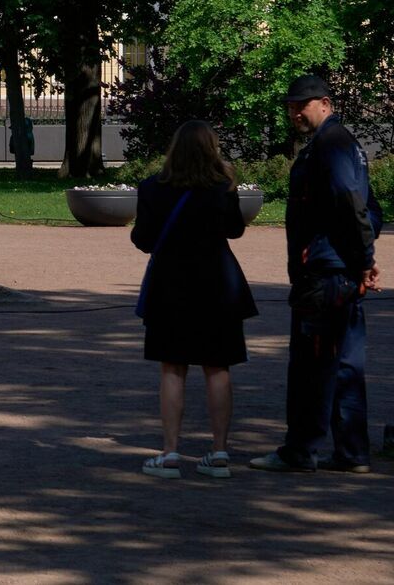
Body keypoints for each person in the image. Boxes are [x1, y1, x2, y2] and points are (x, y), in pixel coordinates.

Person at [252, 75, 383, 474]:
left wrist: (361, 258)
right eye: (290, 106)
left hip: (325, 275)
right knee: (344, 364)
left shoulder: (330, 145)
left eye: (300, 105)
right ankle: (351, 451)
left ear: (324, 102)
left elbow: (352, 203)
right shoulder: (342, 144)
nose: (294, 113)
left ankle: (300, 450)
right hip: (338, 270)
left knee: (311, 366)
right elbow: (370, 210)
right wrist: (362, 258)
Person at [130, 120, 257, 479]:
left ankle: (170, 452)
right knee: (218, 368)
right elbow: (235, 229)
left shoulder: (153, 188)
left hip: (171, 287)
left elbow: (143, 239)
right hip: (218, 287)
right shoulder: (223, 188)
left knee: (172, 368)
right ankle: (219, 452)